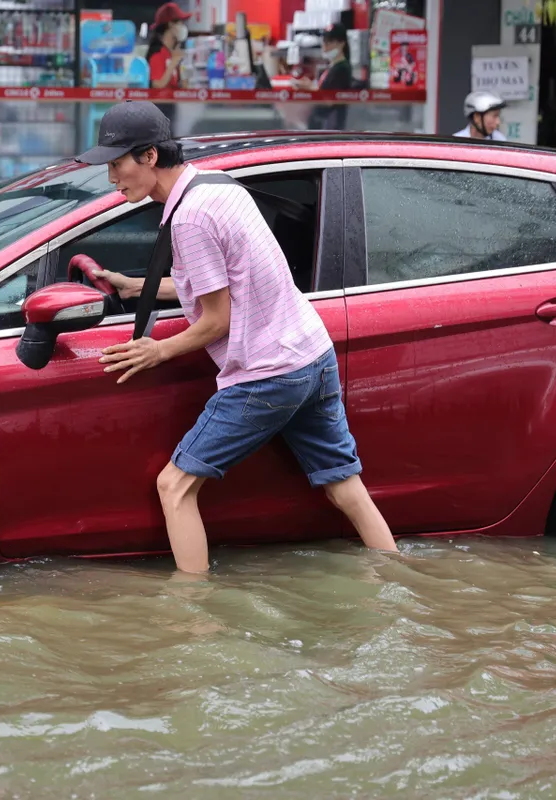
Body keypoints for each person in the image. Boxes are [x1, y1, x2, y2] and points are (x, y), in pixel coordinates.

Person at [74, 101, 398, 574]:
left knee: (174, 486)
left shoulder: (189, 219)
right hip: (312, 354)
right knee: (344, 486)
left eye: (117, 164)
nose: (111, 179)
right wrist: (134, 285)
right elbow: (222, 285)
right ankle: (394, 582)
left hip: (268, 374)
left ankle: (193, 620)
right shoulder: (215, 185)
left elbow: (216, 320)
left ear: (148, 156)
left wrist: (156, 350)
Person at [146, 2, 190, 90]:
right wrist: (173, 63)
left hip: (173, 103)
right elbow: (157, 85)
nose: (183, 27)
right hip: (160, 103)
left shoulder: (172, 54)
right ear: (171, 24)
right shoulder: (157, 54)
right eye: (180, 23)